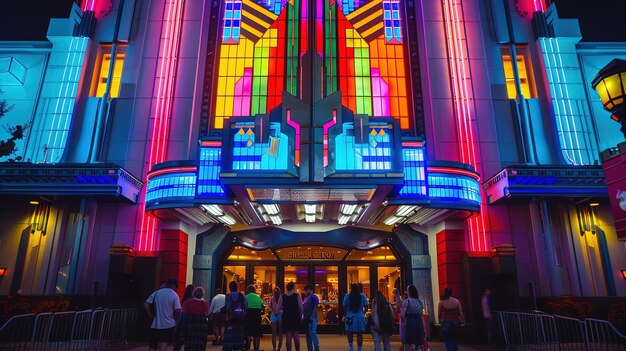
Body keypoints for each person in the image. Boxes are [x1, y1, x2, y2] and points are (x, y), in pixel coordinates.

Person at [144, 279, 182, 351]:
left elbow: (146, 304)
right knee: (164, 343)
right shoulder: (174, 295)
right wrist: (176, 320)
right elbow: (178, 310)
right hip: (169, 324)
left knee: (153, 345)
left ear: (166, 284)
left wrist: (151, 316)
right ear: (175, 286)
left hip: (155, 324)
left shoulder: (156, 293)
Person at [223, 281, 248, 351]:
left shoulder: (228, 296)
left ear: (230, 287)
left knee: (230, 338)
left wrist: (226, 317)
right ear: (237, 287)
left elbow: (227, 307)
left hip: (231, 319)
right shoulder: (242, 295)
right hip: (240, 319)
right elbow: (246, 308)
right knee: (239, 338)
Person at [343, 283, 368, 351]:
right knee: (359, 334)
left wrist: (345, 314)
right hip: (359, 316)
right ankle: (359, 349)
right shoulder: (362, 296)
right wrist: (363, 312)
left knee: (349, 332)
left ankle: (351, 348)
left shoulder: (347, 296)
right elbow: (366, 306)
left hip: (349, 317)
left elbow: (344, 306)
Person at [400, 285, 424, 351]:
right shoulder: (419, 301)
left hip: (410, 322)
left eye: (407, 290)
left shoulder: (407, 301)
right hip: (418, 322)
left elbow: (402, 315)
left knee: (409, 341)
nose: (406, 291)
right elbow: (421, 313)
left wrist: (403, 323)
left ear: (409, 292)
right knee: (418, 341)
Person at [172, 284, 195, 351]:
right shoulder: (193, 300)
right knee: (189, 342)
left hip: (182, 319)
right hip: (190, 321)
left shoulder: (184, 298)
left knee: (179, 342)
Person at [282, 282, 303, 351]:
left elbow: (279, 307)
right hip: (295, 316)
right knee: (296, 335)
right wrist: (301, 316)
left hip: (286, 317)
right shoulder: (297, 295)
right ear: (293, 287)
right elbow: (300, 307)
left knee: (288, 335)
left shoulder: (283, 296)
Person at [244, 284, 264, 351]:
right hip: (257, 318)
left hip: (247, 318)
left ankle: (248, 347)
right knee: (257, 334)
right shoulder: (259, 298)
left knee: (248, 333)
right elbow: (262, 310)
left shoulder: (245, 297)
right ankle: (256, 348)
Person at [302, 284, 320, 351]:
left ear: (310, 290)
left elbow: (315, 307)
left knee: (312, 332)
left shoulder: (314, 297)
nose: (305, 291)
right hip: (306, 318)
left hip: (312, 318)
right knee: (308, 334)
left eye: (306, 290)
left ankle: (316, 347)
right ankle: (309, 348)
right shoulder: (306, 297)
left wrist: (312, 316)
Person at [269, 287, 283, 351]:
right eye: (274, 291)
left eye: (276, 291)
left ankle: (279, 348)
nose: (275, 292)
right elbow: (269, 306)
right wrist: (272, 311)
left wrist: (280, 311)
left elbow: (284, 306)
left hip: (280, 315)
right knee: (273, 333)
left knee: (280, 332)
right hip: (273, 315)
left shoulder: (281, 298)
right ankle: (274, 348)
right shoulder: (272, 298)